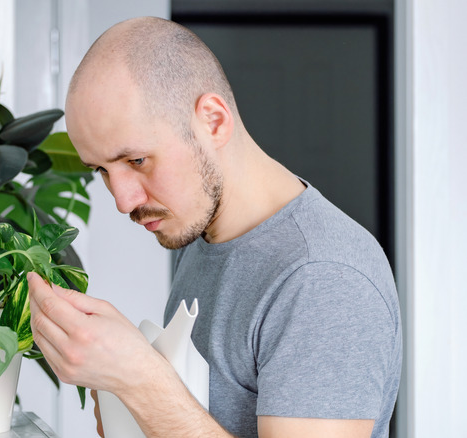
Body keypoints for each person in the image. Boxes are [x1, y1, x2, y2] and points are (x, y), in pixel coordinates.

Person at [27, 16, 401, 438]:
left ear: (213, 121)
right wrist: (121, 394)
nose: (123, 200)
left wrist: (140, 381)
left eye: (136, 161)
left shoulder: (324, 278)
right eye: (101, 170)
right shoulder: (202, 237)